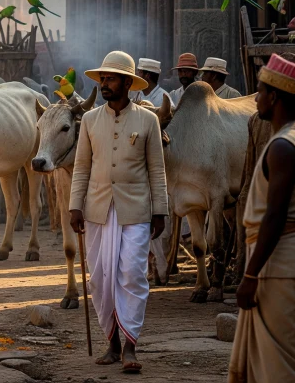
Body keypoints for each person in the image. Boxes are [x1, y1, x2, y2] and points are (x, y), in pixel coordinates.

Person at [69, 51, 168, 373]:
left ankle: (130, 346)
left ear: (128, 83)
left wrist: (160, 211)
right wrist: (75, 206)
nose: (104, 84)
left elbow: (157, 170)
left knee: (132, 274)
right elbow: (81, 167)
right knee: (100, 278)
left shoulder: (148, 119)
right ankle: (111, 342)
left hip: (136, 210)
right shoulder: (89, 120)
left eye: (111, 79)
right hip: (97, 208)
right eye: (102, 79)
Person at [229, 54, 295, 381]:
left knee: (280, 364)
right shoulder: (294, 138)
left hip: (280, 267)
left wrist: (251, 275)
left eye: (259, 91)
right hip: (284, 262)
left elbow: (275, 216)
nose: (255, 98)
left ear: (274, 97)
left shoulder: (284, 146)